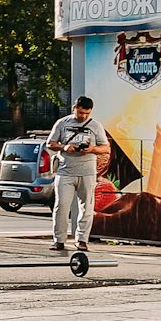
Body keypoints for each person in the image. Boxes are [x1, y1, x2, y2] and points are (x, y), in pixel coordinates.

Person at [45, 96, 107, 253]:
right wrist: (65, 147)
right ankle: (59, 240)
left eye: (87, 113)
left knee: (87, 207)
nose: (83, 116)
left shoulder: (95, 125)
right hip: (65, 171)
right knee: (61, 206)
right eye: (80, 113)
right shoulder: (62, 123)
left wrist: (92, 149)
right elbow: (50, 143)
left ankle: (82, 240)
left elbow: (105, 148)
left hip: (87, 172)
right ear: (74, 108)